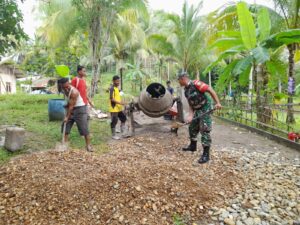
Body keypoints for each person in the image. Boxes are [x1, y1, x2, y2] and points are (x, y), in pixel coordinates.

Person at [177, 72, 222, 164]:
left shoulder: (196, 83)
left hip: (205, 107)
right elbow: (191, 104)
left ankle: (206, 155)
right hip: (197, 109)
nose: (178, 82)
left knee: (204, 129)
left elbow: (210, 89)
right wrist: (190, 115)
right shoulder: (186, 90)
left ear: (183, 79)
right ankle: (193, 146)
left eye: (178, 80)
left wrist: (217, 102)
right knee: (192, 127)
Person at [58, 78, 93, 152]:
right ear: (61, 86)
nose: (66, 88)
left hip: (80, 109)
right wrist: (67, 105)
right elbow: (70, 103)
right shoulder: (63, 89)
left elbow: (71, 106)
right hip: (72, 108)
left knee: (84, 128)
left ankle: (88, 145)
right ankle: (65, 145)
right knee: (65, 126)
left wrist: (67, 117)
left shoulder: (74, 92)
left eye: (67, 86)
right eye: (64, 87)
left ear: (69, 83)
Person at [109, 75, 127, 140]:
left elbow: (119, 96)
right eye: (117, 81)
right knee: (114, 121)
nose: (118, 82)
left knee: (124, 118)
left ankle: (123, 131)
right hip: (114, 108)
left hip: (118, 108)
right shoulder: (112, 88)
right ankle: (113, 135)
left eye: (119, 81)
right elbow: (111, 99)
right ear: (113, 81)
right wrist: (120, 103)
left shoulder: (117, 89)